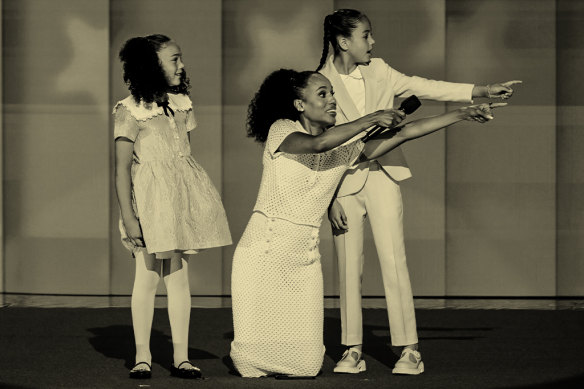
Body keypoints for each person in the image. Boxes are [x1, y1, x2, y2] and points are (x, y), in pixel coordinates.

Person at [229, 68, 504, 378]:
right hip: (262, 254)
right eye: (323, 94)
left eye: (332, 93)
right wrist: (371, 118)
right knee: (251, 365)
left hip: (304, 260)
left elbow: (404, 133)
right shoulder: (282, 130)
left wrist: (461, 114)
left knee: (305, 366)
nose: (332, 100)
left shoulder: (343, 151)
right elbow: (317, 145)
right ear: (299, 105)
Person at [316, 9, 522, 376]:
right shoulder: (319, 82)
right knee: (348, 269)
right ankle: (352, 347)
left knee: (395, 261)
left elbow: (426, 86)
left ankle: (409, 349)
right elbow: (321, 146)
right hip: (343, 185)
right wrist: (329, 199)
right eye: (366, 35)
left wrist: (480, 90)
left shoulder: (380, 70)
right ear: (343, 41)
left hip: (383, 175)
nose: (372, 42)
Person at [113, 34, 232, 379]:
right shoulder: (130, 110)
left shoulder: (180, 105)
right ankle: (142, 356)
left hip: (177, 198)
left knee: (177, 276)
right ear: (152, 65)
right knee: (147, 276)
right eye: (174, 59)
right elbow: (122, 167)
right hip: (149, 202)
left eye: (180, 59)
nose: (181, 66)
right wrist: (129, 217)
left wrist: (190, 202)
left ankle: (181, 357)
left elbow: (183, 157)